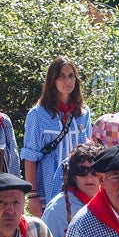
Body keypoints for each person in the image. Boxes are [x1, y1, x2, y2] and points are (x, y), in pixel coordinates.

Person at [22, 57, 93, 219]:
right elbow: (30, 157)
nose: (67, 80)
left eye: (71, 75)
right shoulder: (38, 114)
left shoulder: (83, 113)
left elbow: (89, 153)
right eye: (61, 76)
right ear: (52, 80)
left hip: (78, 184)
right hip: (48, 184)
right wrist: (33, 196)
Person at [41, 141, 103, 237]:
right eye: (82, 171)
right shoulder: (56, 209)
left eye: (95, 170)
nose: (89, 177)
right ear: (73, 175)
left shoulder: (112, 203)